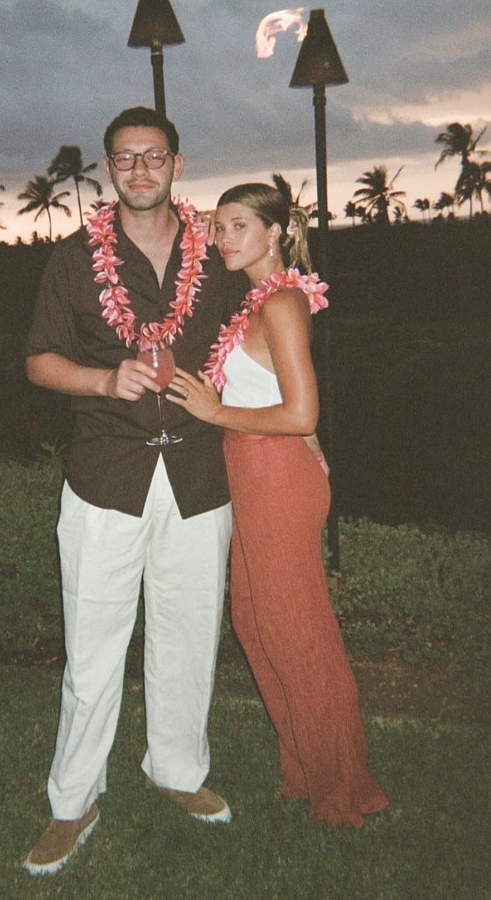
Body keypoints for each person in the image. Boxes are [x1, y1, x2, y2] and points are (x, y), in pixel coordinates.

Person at [23, 107, 244, 875]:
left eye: (154, 156)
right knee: (93, 651)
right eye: (125, 158)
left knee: (190, 634)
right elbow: (39, 360)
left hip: (199, 476)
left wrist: (294, 420)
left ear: (177, 164)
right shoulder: (72, 260)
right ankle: (73, 802)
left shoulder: (216, 251)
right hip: (105, 476)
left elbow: (266, 320)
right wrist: (102, 380)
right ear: (109, 168)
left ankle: (176, 770)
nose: (140, 169)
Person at [167, 182, 389, 828]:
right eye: (218, 226)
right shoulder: (258, 302)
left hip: (275, 478)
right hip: (255, 472)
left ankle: (343, 787)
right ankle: (307, 769)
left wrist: (215, 412)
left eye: (238, 225)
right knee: (256, 622)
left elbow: (300, 413)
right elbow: (285, 399)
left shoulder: (285, 303)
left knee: (296, 629)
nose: (223, 238)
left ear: (277, 231)